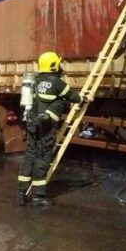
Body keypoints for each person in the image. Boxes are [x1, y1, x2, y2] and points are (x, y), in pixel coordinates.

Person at [17, 51, 86, 206]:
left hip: (31, 125)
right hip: (45, 128)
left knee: (29, 157)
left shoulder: (35, 81)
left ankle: (22, 193)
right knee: (42, 159)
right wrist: (85, 98)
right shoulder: (56, 83)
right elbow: (74, 97)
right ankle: (38, 197)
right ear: (53, 66)